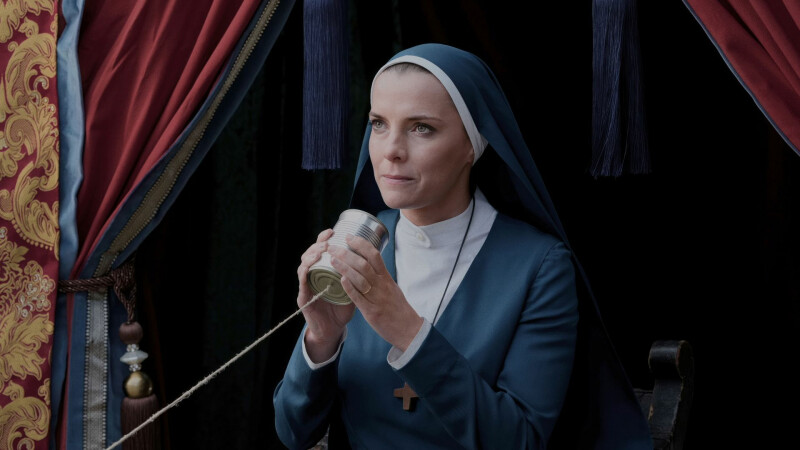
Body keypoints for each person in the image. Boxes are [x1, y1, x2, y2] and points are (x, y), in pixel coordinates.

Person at [273, 43, 652, 449]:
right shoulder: (356, 247)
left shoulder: (539, 267)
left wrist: (407, 330)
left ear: (473, 143)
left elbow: (520, 441)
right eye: (379, 123)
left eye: (422, 128)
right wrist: (322, 336)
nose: (391, 150)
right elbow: (294, 433)